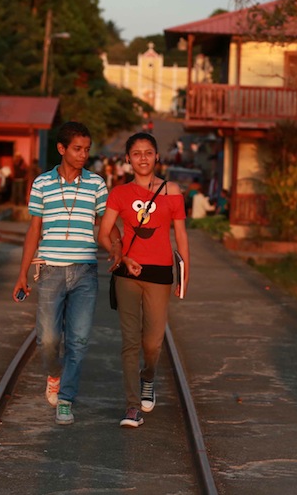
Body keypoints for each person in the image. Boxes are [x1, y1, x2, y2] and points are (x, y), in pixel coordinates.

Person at [12, 122, 122, 426]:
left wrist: (117, 246)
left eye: (87, 149)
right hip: (49, 270)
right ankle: (55, 374)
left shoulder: (97, 184)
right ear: (61, 149)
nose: (83, 154)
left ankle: (66, 398)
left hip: (86, 272)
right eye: (77, 149)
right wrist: (22, 274)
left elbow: (107, 223)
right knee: (47, 339)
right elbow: (34, 229)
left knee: (80, 340)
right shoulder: (41, 184)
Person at [98, 132, 189, 428]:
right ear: (127, 159)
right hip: (127, 273)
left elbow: (181, 235)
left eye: (148, 152)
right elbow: (104, 232)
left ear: (157, 156)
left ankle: (148, 377)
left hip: (160, 274)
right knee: (129, 342)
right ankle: (131, 406)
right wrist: (122, 257)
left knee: (152, 343)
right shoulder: (119, 194)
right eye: (136, 153)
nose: (143, 158)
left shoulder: (171, 190)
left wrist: (184, 275)